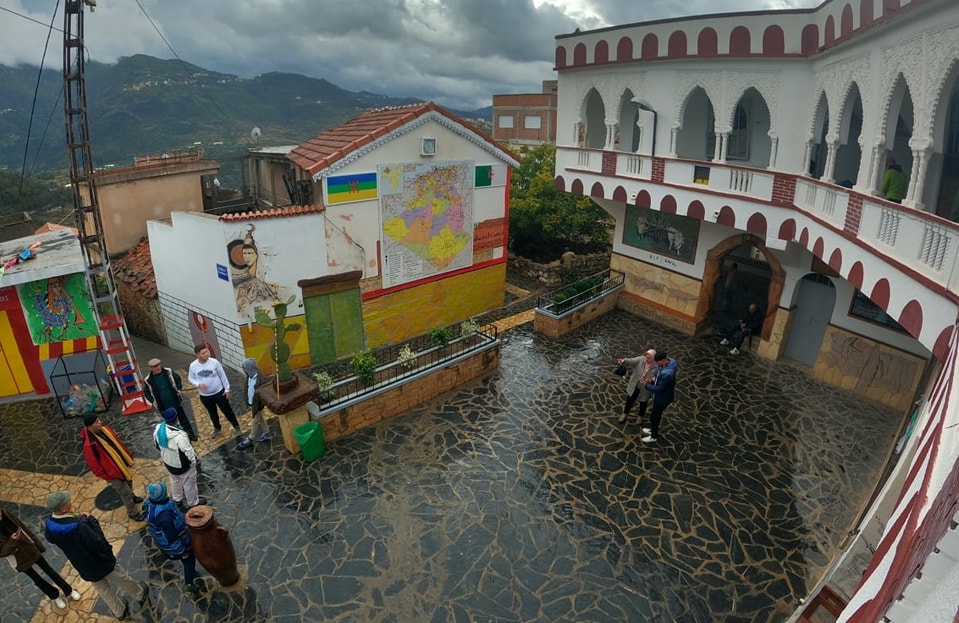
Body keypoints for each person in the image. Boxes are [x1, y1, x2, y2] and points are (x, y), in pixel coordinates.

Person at [43, 491, 146, 619]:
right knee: (121, 578)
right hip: (100, 561)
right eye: (67, 501)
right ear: (63, 508)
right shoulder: (79, 525)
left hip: (83, 566)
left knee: (102, 589)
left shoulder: (50, 525)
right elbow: (97, 541)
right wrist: (91, 520)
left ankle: (119, 611)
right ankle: (139, 594)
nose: (70, 501)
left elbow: (50, 539)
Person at [0, 505, 81, 610]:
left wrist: (37, 544)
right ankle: (54, 596)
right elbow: (1, 552)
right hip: (17, 559)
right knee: (37, 579)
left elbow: (23, 527)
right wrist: (12, 541)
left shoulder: (5, 512)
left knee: (49, 570)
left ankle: (68, 591)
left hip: (29, 548)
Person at [81, 414, 144, 521]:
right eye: (96, 422)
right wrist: (107, 475)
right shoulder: (89, 445)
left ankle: (132, 497)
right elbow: (94, 466)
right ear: (90, 427)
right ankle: (132, 512)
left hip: (119, 465)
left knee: (129, 481)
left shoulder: (104, 430)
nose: (100, 422)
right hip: (112, 472)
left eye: (99, 420)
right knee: (125, 492)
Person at [141, 483, 200, 596]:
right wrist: (182, 551)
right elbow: (172, 538)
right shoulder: (165, 517)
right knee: (189, 560)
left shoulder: (148, 505)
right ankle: (189, 584)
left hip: (162, 543)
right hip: (176, 546)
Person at [154, 408, 206, 509]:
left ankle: (177, 499)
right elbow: (188, 451)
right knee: (189, 483)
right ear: (176, 419)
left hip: (168, 462)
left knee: (174, 480)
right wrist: (193, 461)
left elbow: (156, 445)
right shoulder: (179, 436)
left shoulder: (158, 429)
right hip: (182, 466)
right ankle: (193, 502)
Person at [188, 344, 241, 438]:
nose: (206, 354)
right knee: (212, 412)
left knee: (227, 411)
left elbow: (223, 376)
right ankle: (217, 428)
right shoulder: (193, 366)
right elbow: (191, 378)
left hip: (219, 392)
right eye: (203, 353)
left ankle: (236, 427)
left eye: (206, 352)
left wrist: (227, 389)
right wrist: (198, 384)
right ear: (197, 355)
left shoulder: (214, 362)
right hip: (205, 396)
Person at [143, 358, 198, 441]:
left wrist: (178, 389)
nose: (157, 367)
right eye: (154, 366)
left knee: (183, 420)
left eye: (158, 365)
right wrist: (153, 401)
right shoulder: (148, 380)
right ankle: (178, 439)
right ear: (151, 368)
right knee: (171, 424)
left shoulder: (168, 371)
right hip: (163, 406)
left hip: (175, 401)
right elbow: (146, 392)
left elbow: (177, 378)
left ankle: (191, 434)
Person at [641, 351, 678, 443]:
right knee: (654, 416)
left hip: (662, 398)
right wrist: (654, 379)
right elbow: (660, 378)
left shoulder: (667, 374)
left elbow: (659, 389)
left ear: (663, 360)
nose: (656, 364)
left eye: (658, 362)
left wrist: (646, 384)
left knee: (654, 417)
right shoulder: (671, 362)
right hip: (665, 395)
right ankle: (652, 430)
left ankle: (653, 436)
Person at [237, 358, 273, 449]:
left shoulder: (261, 380)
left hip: (257, 405)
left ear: (248, 368)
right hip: (252, 403)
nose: (243, 369)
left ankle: (250, 438)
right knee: (260, 418)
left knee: (255, 421)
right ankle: (266, 432)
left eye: (244, 367)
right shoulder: (249, 376)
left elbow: (263, 394)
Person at [615, 349, 658, 425]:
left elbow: (657, 377)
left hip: (645, 388)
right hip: (635, 384)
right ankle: (625, 413)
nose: (646, 359)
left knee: (643, 403)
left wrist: (651, 380)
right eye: (646, 357)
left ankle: (640, 417)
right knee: (630, 400)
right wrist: (624, 361)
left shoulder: (657, 367)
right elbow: (632, 361)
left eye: (649, 358)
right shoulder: (641, 359)